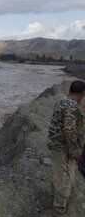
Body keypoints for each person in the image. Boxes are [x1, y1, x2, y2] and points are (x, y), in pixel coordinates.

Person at [47, 80, 85, 214]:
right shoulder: (71, 106)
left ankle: (59, 200)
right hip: (63, 147)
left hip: (57, 144)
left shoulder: (62, 101)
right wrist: (74, 150)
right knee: (64, 177)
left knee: (61, 174)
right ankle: (60, 207)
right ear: (82, 93)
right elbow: (69, 130)